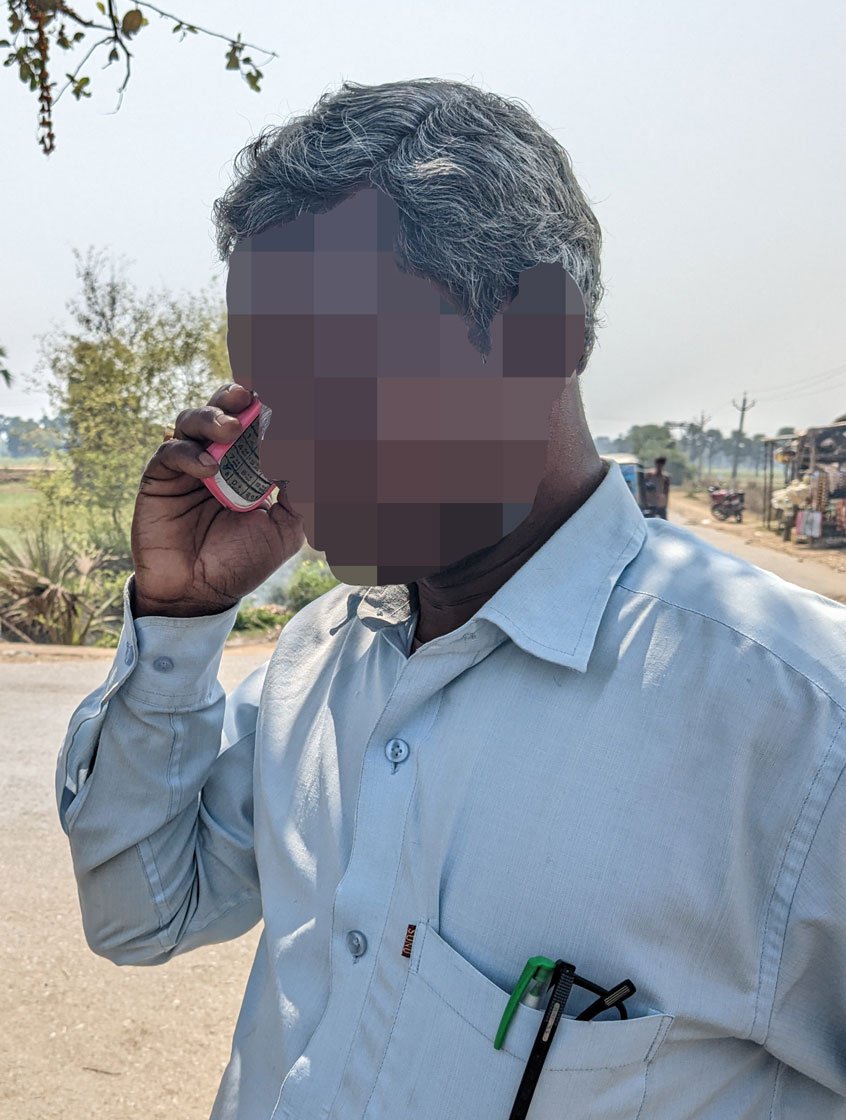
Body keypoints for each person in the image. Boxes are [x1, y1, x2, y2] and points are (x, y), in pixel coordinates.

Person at [56, 79, 846, 1120]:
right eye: (275, 394)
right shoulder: (323, 658)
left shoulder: (792, 726)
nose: (286, 449)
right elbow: (139, 917)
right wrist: (178, 619)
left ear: (538, 339)